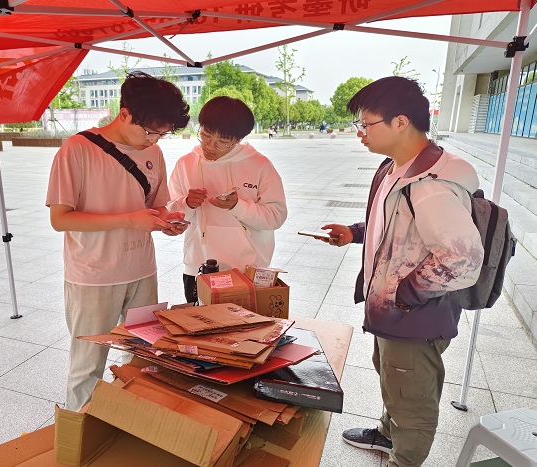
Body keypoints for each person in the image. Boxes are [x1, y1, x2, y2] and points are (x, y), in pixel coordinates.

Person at [319, 76, 483, 467]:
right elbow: (397, 227)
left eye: (366, 124)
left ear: (400, 122)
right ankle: (386, 434)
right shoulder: (396, 169)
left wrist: (403, 295)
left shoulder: (432, 186)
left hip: (414, 318)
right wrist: (356, 233)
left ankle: (403, 458)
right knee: (393, 378)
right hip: (395, 314)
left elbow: (462, 260)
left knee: (412, 402)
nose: (359, 132)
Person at [46, 71, 190, 411]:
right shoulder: (77, 150)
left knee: (144, 356)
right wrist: (129, 220)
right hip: (93, 275)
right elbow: (60, 218)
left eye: (162, 133)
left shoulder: (154, 152)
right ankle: (78, 430)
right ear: (124, 113)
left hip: (141, 270)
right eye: (150, 131)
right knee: (88, 364)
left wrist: (165, 221)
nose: (154, 140)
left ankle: (131, 421)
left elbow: (155, 205)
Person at [168, 96, 287, 303]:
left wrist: (238, 206)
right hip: (198, 267)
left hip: (247, 270)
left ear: (238, 139)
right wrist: (187, 204)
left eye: (222, 142)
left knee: (244, 324)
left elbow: (276, 217)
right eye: (205, 135)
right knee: (198, 321)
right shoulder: (185, 164)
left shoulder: (260, 165)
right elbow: (169, 213)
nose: (210, 146)